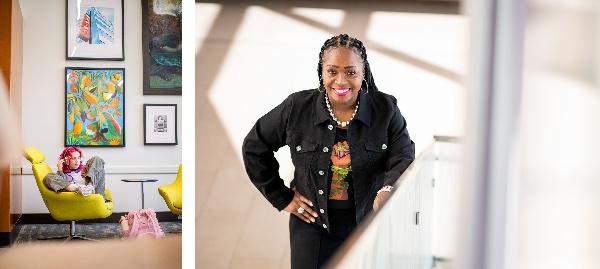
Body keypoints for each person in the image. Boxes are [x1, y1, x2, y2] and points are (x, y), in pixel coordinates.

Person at [242, 34, 415, 268]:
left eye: (351, 72)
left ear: (363, 73)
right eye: (332, 71)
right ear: (321, 72)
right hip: (313, 225)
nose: (341, 81)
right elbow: (255, 146)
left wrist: (387, 188)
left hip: (366, 223)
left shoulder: (386, 109)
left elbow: (403, 154)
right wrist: (281, 197)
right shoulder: (297, 107)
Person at [43, 146, 109, 202]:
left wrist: (89, 176)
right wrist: (60, 170)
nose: (77, 161)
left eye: (78, 158)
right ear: (66, 160)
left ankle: (89, 187)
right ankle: (77, 188)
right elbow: (63, 186)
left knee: (97, 159)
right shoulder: (63, 174)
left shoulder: (85, 170)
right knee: (48, 177)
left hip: (92, 194)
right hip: (76, 196)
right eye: (74, 158)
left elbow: (97, 172)